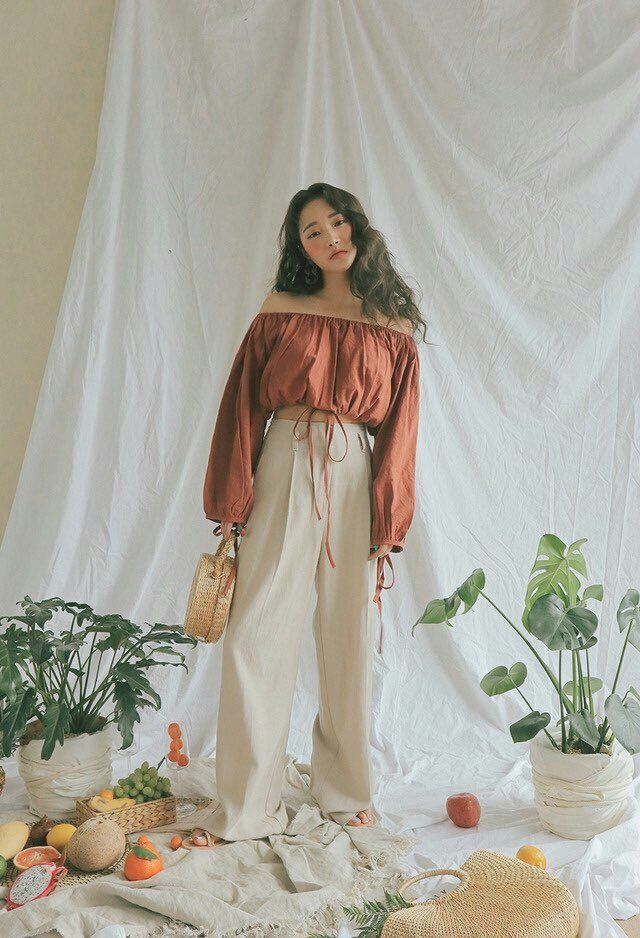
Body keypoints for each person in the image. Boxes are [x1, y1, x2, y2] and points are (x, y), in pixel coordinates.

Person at [185, 182, 426, 848]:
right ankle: (245, 803)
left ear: (358, 228)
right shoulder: (280, 309)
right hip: (285, 458)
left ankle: (346, 793)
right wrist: (231, 503)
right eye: (311, 231)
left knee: (348, 633)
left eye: (336, 223)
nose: (328, 239)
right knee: (255, 632)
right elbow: (241, 407)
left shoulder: (392, 325)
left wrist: (387, 521)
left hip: (353, 467)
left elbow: (401, 430)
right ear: (299, 246)